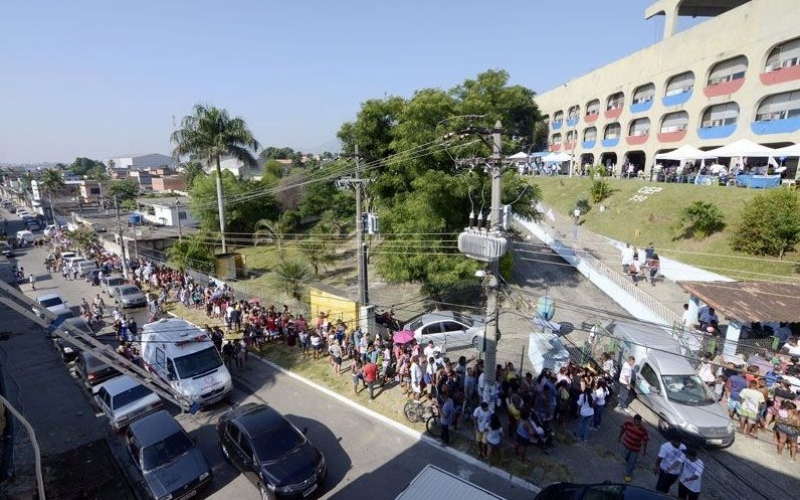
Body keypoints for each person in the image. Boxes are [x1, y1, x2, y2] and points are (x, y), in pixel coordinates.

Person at [619, 414, 649, 482]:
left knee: (631, 462)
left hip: (635, 449)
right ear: (634, 420)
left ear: (640, 421)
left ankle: (628, 474)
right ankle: (630, 464)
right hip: (626, 445)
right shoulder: (628, 424)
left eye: (639, 421)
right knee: (625, 458)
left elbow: (645, 441)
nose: (637, 422)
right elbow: (622, 429)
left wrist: (644, 450)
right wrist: (619, 437)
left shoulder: (643, 430)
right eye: (636, 421)